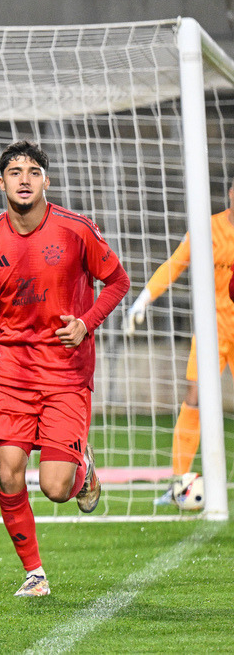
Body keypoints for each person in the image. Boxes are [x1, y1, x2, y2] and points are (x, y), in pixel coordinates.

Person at [0, 140, 130, 597]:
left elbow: (118, 280)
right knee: (8, 470)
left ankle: (81, 468)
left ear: (46, 180)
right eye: (14, 171)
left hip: (65, 372)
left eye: (33, 171)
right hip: (11, 370)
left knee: (56, 488)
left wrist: (86, 322)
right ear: (0, 182)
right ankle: (34, 573)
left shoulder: (76, 229)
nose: (24, 178)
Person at [124, 180, 234, 505]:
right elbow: (174, 264)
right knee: (195, 396)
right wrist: (143, 299)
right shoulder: (207, 229)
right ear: (231, 192)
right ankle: (178, 481)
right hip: (212, 328)